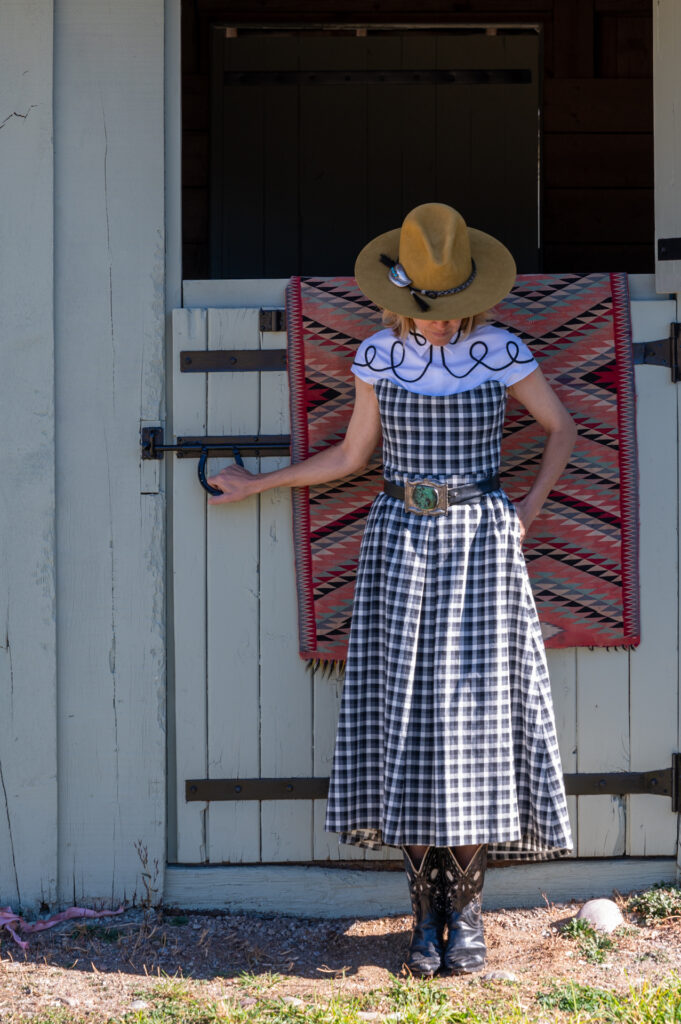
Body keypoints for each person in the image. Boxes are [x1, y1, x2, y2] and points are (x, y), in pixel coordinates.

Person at [206, 202, 576, 978]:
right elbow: (350, 455)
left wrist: (526, 511)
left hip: (479, 542)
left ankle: (466, 916)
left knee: (471, 721)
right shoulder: (377, 356)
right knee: (403, 714)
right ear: (398, 301)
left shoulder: (501, 351)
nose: (441, 328)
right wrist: (257, 483)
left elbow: (561, 429)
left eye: (452, 312)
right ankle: (424, 913)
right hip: (399, 545)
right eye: (426, 313)